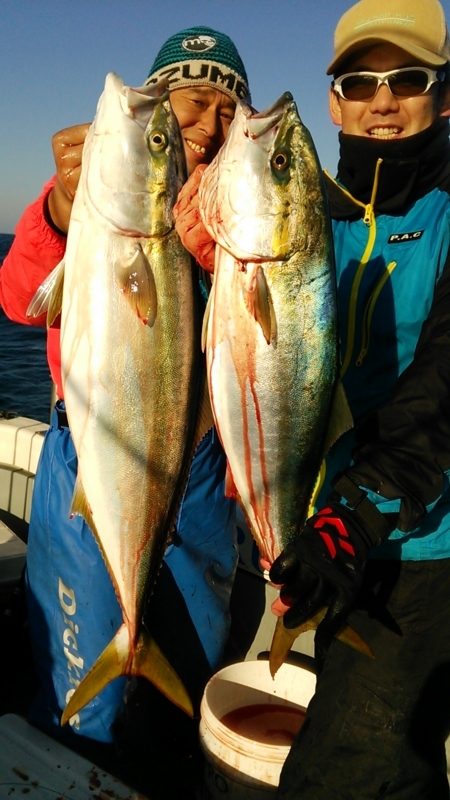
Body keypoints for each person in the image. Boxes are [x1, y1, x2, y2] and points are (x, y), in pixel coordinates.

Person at [175, 0, 450, 797]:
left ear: (444, 94)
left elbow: (439, 394)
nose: (383, 99)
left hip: (417, 554)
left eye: (408, 78)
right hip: (329, 539)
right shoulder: (320, 221)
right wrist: (204, 260)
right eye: (361, 81)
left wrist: (356, 514)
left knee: (345, 776)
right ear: (336, 102)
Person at [0, 25, 250, 791]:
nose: (205, 127)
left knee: (196, 659)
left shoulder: (242, 223)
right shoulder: (87, 211)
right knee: (86, 689)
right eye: (189, 102)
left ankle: (173, 763)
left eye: (225, 113)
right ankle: (78, 764)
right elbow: (21, 301)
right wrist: (64, 209)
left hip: (200, 475)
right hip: (97, 457)